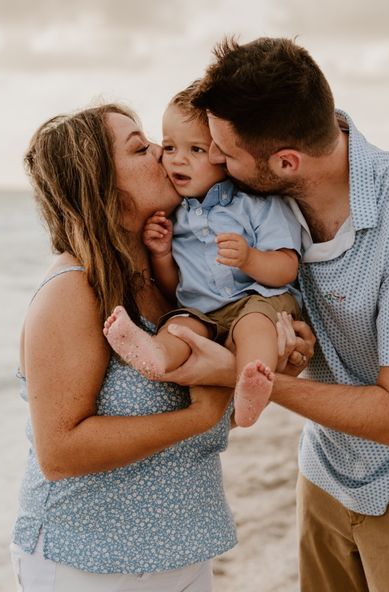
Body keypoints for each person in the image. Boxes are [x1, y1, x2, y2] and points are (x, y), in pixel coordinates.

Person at [160, 37, 389, 591]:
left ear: (285, 162)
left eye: (224, 153)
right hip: (326, 471)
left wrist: (251, 379)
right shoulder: (268, 200)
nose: (216, 162)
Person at [10, 103, 242, 592]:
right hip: (89, 565)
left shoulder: (172, 284)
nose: (162, 149)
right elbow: (60, 450)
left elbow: (221, 399)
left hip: (184, 553)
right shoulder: (73, 291)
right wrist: (199, 417)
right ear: (104, 188)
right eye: (140, 147)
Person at [103, 83, 302, 427]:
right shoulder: (175, 214)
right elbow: (174, 287)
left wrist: (249, 259)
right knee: (180, 325)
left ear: (223, 156)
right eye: (168, 147)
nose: (177, 159)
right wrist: (163, 255)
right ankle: (156, 355)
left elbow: (286, 268)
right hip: (203, 311)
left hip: (257, 299)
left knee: (255, 327)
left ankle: (253, 384)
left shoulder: (255, 205)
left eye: (195, 149)